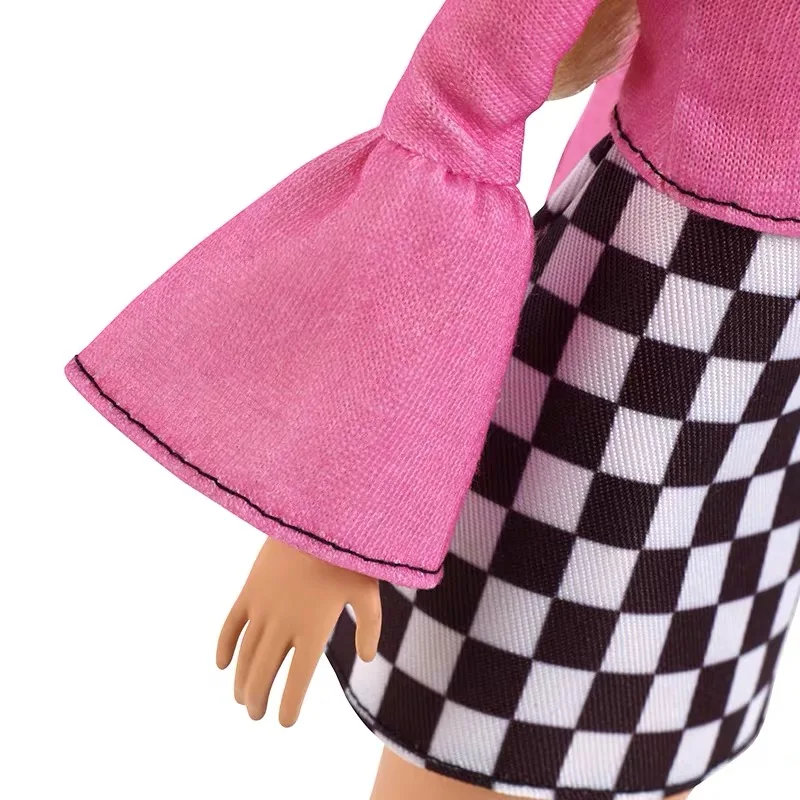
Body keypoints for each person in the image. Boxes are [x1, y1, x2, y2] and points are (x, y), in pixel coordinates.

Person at [65, 1, 800, 797]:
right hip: (645, 338)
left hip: (771, 415)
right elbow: (460, 104)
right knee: (494, 721)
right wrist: (337, 504)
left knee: (658, 743)